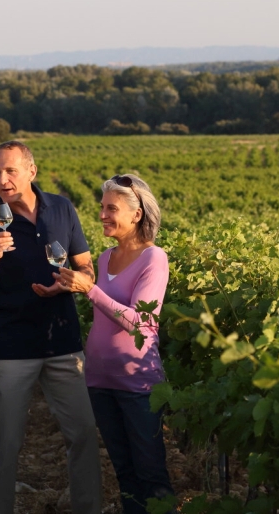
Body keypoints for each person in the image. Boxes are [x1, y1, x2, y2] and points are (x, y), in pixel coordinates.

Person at [0, 140, 103, 514]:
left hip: (62, 341)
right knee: (4, 445)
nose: (2, 179)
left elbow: (86, 268)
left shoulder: (61, 207)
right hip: (10, 347)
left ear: (31, 171)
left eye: (10, 170)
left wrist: (73, 281)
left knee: (83, 436)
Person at [55, 173, 175, 514]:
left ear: (136, 214)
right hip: (100, 380)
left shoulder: (154, 259)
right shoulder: (105, 258)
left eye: (111, 208)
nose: (103, 215)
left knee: (151, 474)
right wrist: (67, 288)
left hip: (137, 383)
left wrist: (89, 290)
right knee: (124, 474)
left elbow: (141, 323)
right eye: (102, 207)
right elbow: (105, 314)